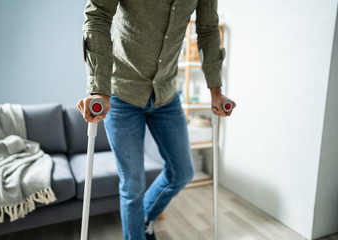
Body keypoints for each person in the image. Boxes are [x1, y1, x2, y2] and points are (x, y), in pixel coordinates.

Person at [77, 0, 236, 239]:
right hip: (121, 93)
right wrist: (99, 89)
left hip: (166, 94)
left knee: (182, 172)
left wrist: (215, 90)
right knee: (132, 186)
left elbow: (208, 29)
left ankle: (141, 220)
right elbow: (98, 16)